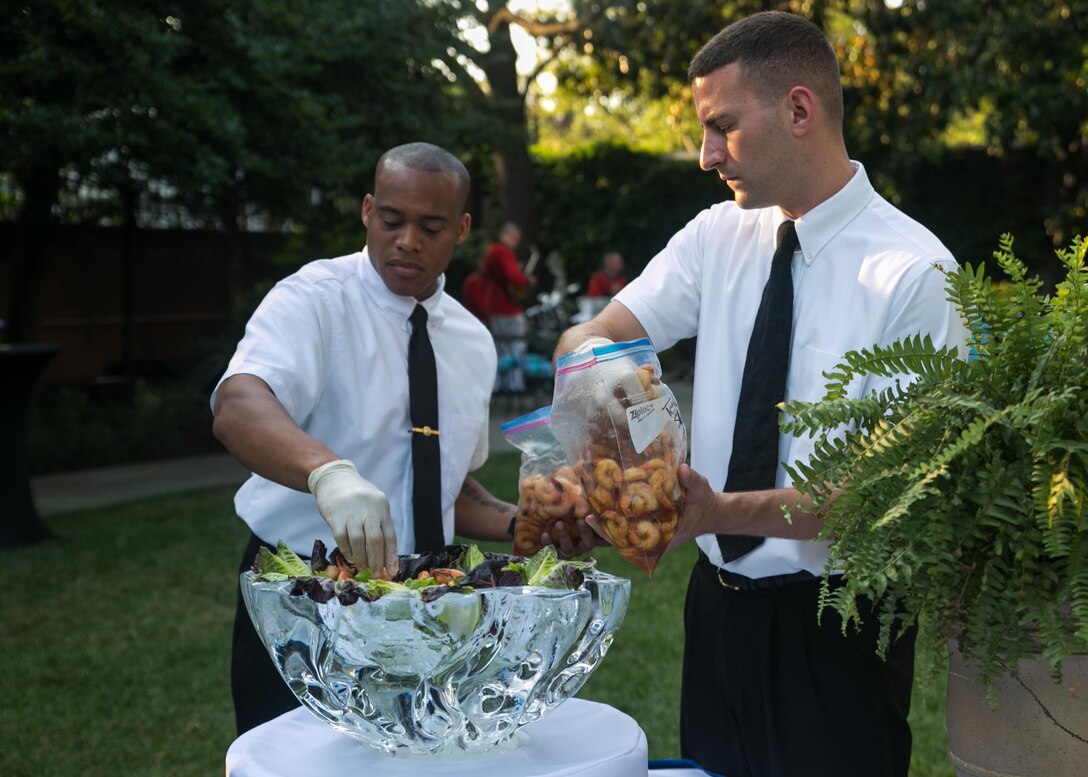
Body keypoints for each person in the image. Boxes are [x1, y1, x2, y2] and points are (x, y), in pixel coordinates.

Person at [554, 12, 966, 777]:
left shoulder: (915, 276)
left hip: (838, 630)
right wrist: (615, 429)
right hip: (714, 610)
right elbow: (590, 337)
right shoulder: (716, 236)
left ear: (800, 110)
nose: (706, 155)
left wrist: (717, 511)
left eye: (723, 127)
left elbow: (892, 499)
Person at [211, 142, 519, 736]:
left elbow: (439, 482)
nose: (407, 240)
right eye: (391, 220)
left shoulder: (474, 341)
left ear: (460, 229)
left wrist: (525, 524)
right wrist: (330, 473)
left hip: (430, 599)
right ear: (366, 211)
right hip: (303, 593)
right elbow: (238, 404)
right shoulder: (313, 300)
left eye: (430, 227)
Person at [480, 221, 535, 393]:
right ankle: (513, 387)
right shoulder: (503, 252)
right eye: (516, 238)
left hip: (495, 306)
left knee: (499, 348)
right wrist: (526, 279)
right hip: (506, 308)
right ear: (510, 236)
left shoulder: (491, 251)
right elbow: (514, 277)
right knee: (514, 348)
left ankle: (498, 386)